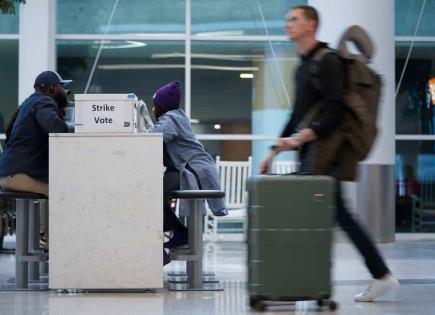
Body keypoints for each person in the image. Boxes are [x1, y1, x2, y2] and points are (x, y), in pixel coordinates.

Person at [260, 5, 399, 302]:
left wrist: (303, 137)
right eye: (287, 19)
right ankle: (369, 275)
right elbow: (296, 114)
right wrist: (274, 150)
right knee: (330, 216)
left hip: (329, 155)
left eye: (294, 19)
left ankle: (378, 275)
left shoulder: (328, 61)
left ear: (311, 25)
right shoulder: (303, 66)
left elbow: (336, 110)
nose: (288, 24)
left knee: (336, 215)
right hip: (312, 154)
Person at [149, 81, 227, 264]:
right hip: (194, 167)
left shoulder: (170, 119)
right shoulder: (176, 117)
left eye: (155, 105)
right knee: (156, 193)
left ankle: (181, 234)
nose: (153, 110)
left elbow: (154, 137)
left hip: (194, 169)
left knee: (153, 195)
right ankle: (179, 233)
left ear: (162, 106)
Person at [0, 70, 72, 195]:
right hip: (22, 177)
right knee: (64, 195)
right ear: (53, 88)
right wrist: (74, 128)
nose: (66, 93)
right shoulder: (44, 102)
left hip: (7, 175)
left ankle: (30, 215)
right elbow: (57, 129)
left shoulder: (28, 103)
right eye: (62, 88)